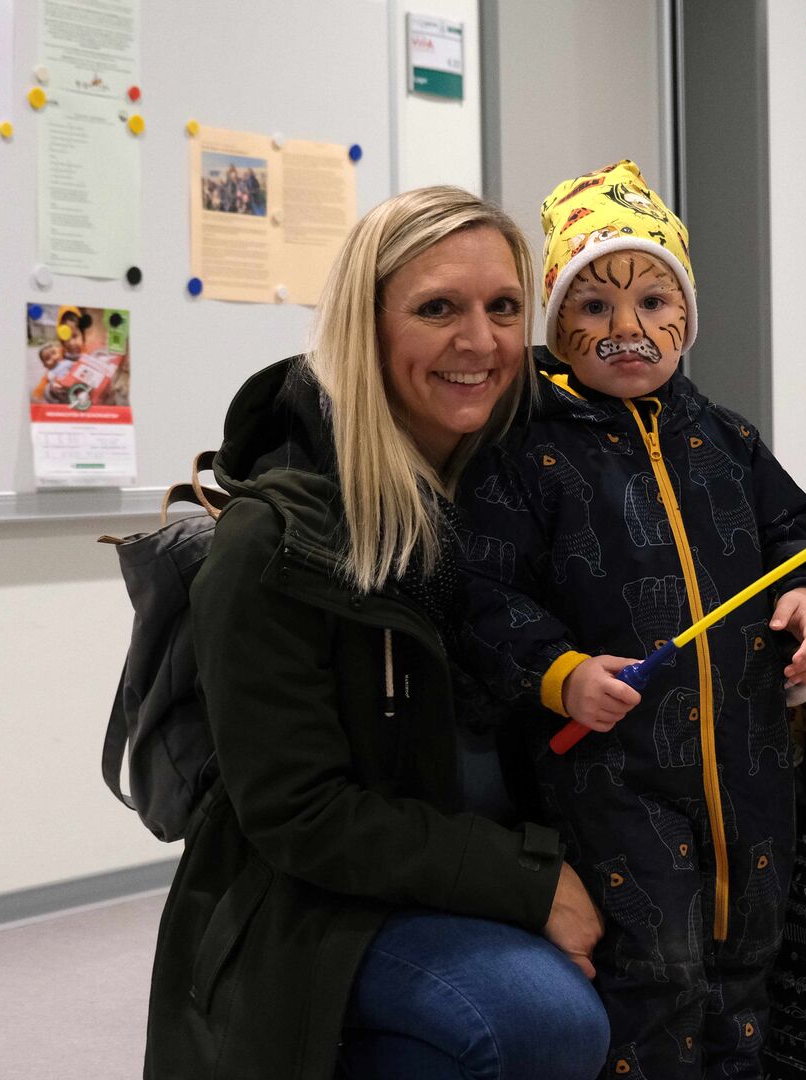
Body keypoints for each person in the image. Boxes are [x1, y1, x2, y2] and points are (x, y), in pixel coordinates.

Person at [143, 185, 610, 1079]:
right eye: (438, 309)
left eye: (504, 308)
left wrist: (805, 621)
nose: (481, 342)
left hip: (493, 852)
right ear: (367, 327)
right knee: (539, 1019)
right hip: (321, 905)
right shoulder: (273, 542)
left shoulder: (527, 498)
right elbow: (303, 816)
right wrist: (531, 882)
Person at [453, 160, 806, 1076]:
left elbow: (793, 539)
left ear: (686, 318)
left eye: (653, 301)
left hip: (751, 774)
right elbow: (483, 594)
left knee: (749, 969)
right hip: (612, 785)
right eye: (592, 306)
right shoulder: (524, 453)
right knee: (653, 975)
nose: (626, 328)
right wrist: (559, 674)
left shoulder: (728, 438)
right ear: (556, 327)